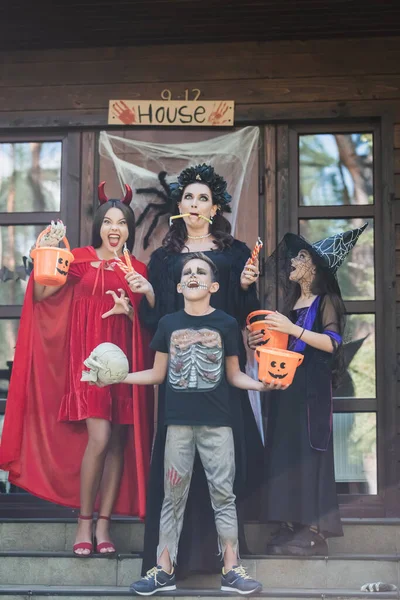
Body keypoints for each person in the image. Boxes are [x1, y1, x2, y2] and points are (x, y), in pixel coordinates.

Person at [0, 183, 154, 556]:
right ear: (99, 225)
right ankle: (84, 521)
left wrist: (135, 307)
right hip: (87, 364)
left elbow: (151, 322)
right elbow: (40, 296)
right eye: (108, 221)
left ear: (130, 229)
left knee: (117, 441)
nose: (114, 228)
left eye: (122, 222)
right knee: (99, 438)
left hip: (126, 363)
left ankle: (105, 525)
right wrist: (49, 252)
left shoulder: (138, 268)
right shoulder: (79, 259)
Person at [100, 253, 265, 595]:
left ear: (213, 285)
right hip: (176, 425)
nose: (193, 275)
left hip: (219, 424)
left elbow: (234, 375)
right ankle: (163, 570)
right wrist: (118, 377)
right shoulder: (168, 324)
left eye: (200, 271)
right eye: (187, 271)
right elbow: (158, 374)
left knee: (223, 494)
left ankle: (232, 569)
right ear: (179, 285)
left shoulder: (227, 324)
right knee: (172, 497)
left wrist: (264, 385)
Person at [136, 164, 264, 577]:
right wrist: (148, 294)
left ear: (214, 208)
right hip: (178, 379)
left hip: (221, 372)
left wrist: (245, 287)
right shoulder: (164, 258)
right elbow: (155, 322)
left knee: (222, 472)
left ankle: (229, 561)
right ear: (179, 206)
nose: (194, 204)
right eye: (188, 197)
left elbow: (247, 316)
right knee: (176, 476)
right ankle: (168, 563)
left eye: (202, 198)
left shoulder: (236, 254)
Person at [257, 223, 367, 556]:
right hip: (286, 389)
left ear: (314, 267)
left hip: (311, 392)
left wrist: (292, 328)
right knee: (285, 454)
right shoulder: (292, 302)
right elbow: (283, 342)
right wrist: (259, 339)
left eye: (300, 256)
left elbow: (332, 344)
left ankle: (313, 531)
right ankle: (290, 524)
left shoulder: (326, 301)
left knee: (308, 454)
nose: (292, 260)